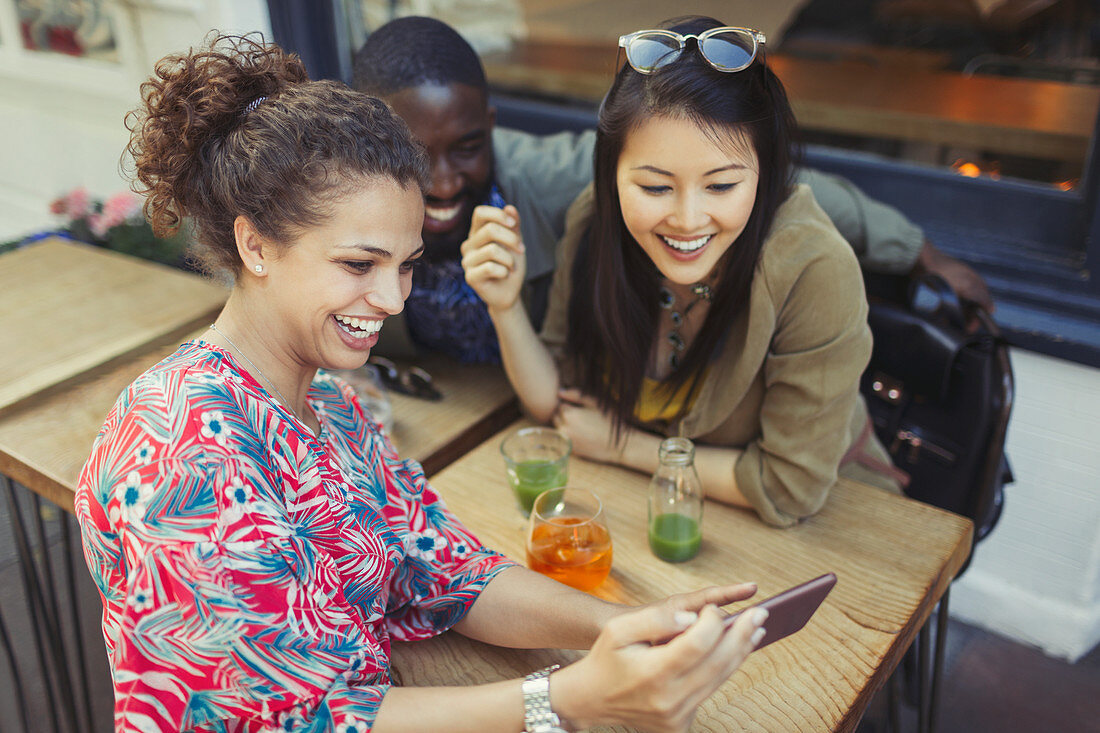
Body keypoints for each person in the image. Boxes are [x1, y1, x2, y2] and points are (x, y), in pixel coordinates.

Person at [74, 34, 768, 732]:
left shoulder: (330, 409)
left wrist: (625, 626)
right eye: (357, 264)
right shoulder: (181, 455)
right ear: (255, 246)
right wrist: (569, 699)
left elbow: (448, 567)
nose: (393, 298)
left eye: (404, 264)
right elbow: (304, 720)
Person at [462, 16, 908, 528]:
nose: (688, 220)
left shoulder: (813, 269)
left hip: (838, 526)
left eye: (720, 187)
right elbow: (560, 406)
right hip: (667, 518)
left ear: (764, 173)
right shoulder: (596, 221)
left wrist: (623, 446)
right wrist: (504, 305)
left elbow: (789, 489)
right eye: (655, 187)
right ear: (611, 173)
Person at [351, 15, 994, 364]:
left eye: (466, 148)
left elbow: (777, 184)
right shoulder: (345, 205)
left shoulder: (553, 182)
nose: (442, 181)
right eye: (411, 154)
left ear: (490, 128)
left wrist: (917, 251)